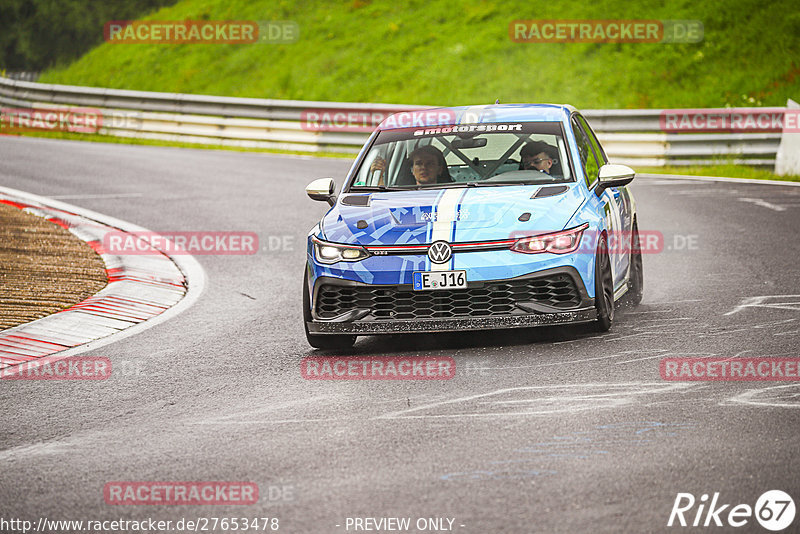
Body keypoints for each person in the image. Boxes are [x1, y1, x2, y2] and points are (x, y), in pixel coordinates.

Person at [370, 145, 453, 186]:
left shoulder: (451, 196)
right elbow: (381, 200)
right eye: (419, 164)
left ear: (439, 169)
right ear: (412, 170)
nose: (424, 167)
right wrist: (379, 176)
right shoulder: (399, 196)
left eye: (430, 164)